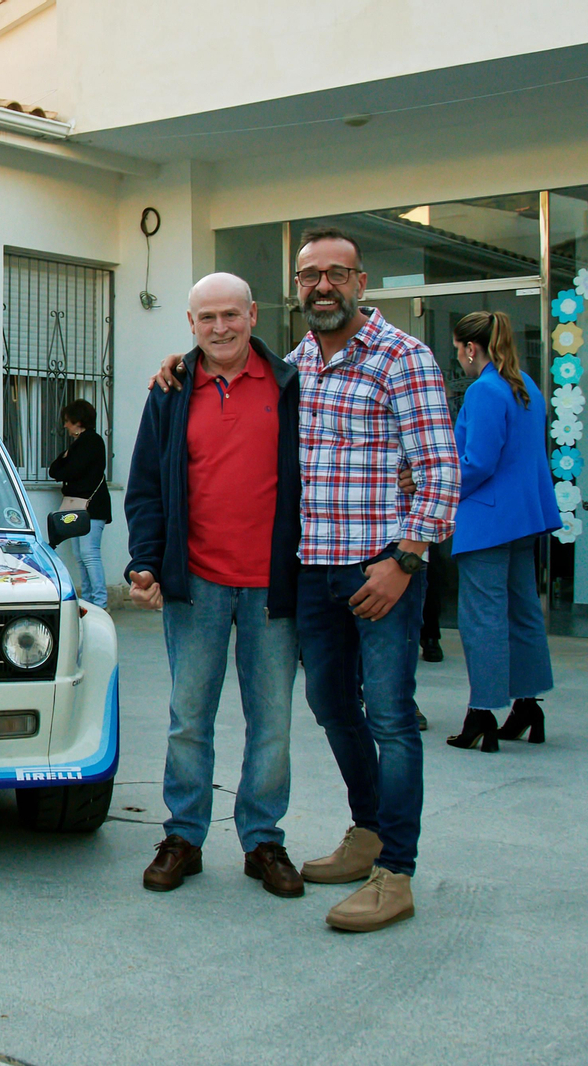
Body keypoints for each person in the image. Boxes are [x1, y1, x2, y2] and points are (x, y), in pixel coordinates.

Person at [153, 228, 460, 932]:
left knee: (390, 717)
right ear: (296, 288)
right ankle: (367, 833)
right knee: (332, 708)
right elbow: (225, 362)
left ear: (360, 281)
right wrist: (177, 366)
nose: (323, 286)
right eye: (310, 275)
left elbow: (442, 470)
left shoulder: (402, 357)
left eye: (337, 273)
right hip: (311, 573)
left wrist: (406, 559)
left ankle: (396, 871)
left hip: (381, 569)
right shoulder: (294, 368)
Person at [126, 273, 304, 898]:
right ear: (191, 323)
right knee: (188, 719)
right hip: (195, 583)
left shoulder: (291, 385)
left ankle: (263, 841)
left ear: (253, 314)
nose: (220, 327)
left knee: (272, 723)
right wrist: (145, 561)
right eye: (207, 317)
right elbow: (146, 486)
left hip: (272, 587)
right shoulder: (171, 392)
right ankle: (184, 837)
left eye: (231, 314)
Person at [442, 310, 560, 751]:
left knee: (483, 619)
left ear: (472, 348)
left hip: (487, 520)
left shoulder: (484, 391)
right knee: (523, 611)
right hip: (525, 516)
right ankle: (527, 705)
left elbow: (478, 462)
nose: (459, 357)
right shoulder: (526, 385)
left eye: (459, 349)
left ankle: (482, 713)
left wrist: (440, 489)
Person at [48, 399, 110, 607]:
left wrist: (66, 460)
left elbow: (67, 471)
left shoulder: (90, 442)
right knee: (81, 555)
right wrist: (65, 459)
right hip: (81, 508)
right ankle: (90, 600)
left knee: (88, 554)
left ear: (78, 421)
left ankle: (99, 601)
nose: (65, 425)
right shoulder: (81, 443)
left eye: (68, 420)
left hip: (91, 507)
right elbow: (55, 470)